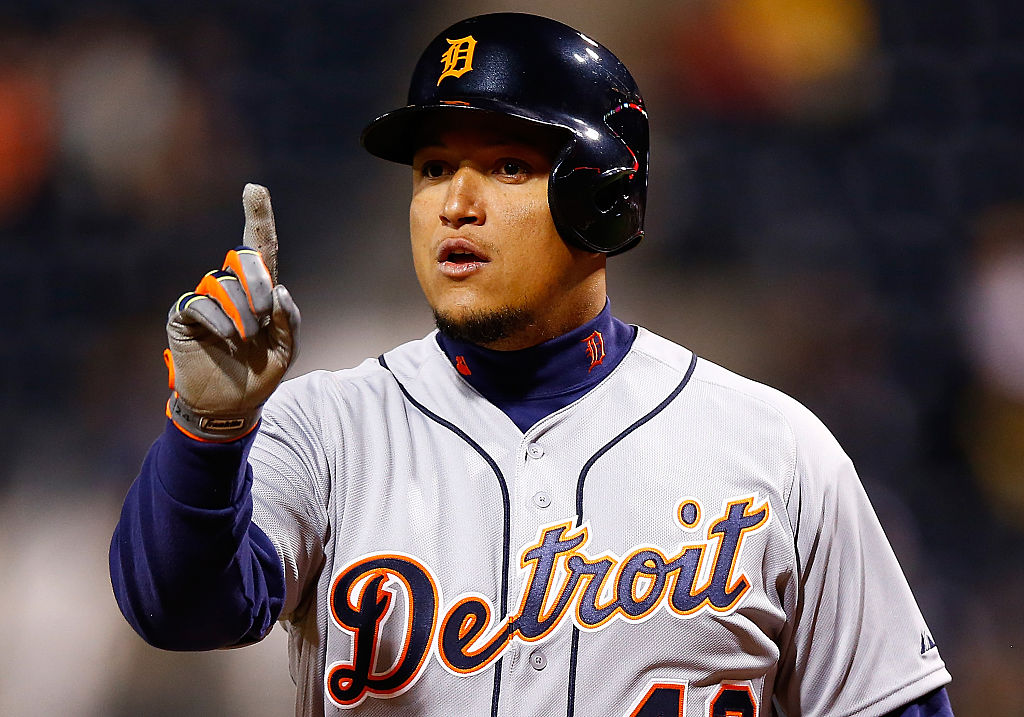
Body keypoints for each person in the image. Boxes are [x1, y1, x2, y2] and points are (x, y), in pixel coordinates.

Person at [110, 12, 955, 717]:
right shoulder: (326, 428)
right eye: (434, 167)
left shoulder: (775, 450)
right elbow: (174, 608)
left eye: (506, 165)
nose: (456, 203)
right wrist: (208, 429)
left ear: (605, 196)